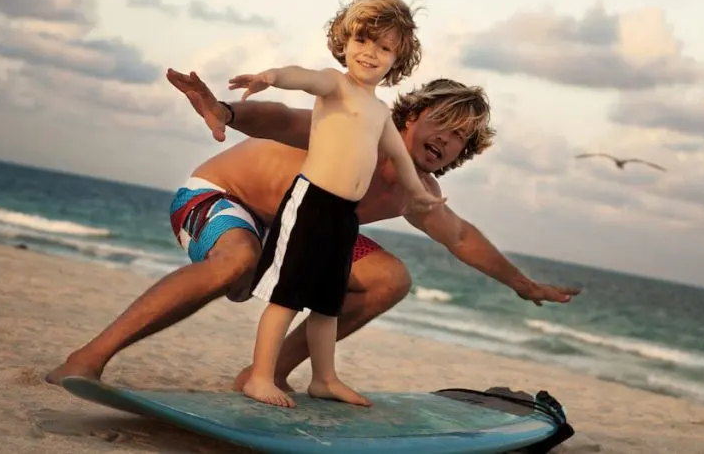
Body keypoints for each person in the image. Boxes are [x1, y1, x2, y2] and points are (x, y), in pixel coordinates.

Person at [45, 37, 581, 391]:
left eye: (461, 137)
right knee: (236, 259)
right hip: (220, 197)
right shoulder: (355, 127)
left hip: (300, 228)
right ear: (411, 115)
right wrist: (226, 112)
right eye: (443, 123)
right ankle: (88, 358)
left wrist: (522, 283)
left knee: (389, 279)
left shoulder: (416, 191)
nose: (449, 139)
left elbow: (460, 236)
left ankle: (266, 375)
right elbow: (281, 118)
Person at [230, 0, 445, 408]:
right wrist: (271, 76)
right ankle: (260, 376)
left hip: (345, 217)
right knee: (287, 295)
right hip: (311, 204)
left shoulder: (380, 112)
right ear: (345, 42)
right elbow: (303, 76)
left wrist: (419, 196)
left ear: (397, 60)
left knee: (327, 303)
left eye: (385, 47)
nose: (371, 53)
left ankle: (324, 379)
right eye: (364, 41)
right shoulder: (336, 84)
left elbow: (401, 158)